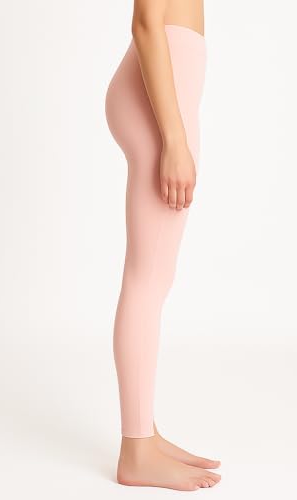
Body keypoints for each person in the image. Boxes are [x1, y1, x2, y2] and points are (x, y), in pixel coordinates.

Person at [105, 0, 221, 490]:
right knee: (146, 281)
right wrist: (174, 140)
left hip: (166, 88)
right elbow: (146, 22)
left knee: (154, 279)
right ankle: (136, 452)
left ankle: (145, 435)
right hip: (160, 103)